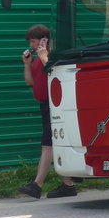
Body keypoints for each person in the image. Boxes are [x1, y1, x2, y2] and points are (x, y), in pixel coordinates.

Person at [18, 24, 77, 199]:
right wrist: (27, 64)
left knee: (48, 145)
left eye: (34, 41)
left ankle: (37, 185)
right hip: (45, 105)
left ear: (44, 40)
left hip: (55, 105)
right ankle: (68, 186)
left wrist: (44, 56)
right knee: (52, 144)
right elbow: (30, 81)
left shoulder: (51, 56)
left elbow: (56, 73)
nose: (32, 45)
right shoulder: (37, 59)